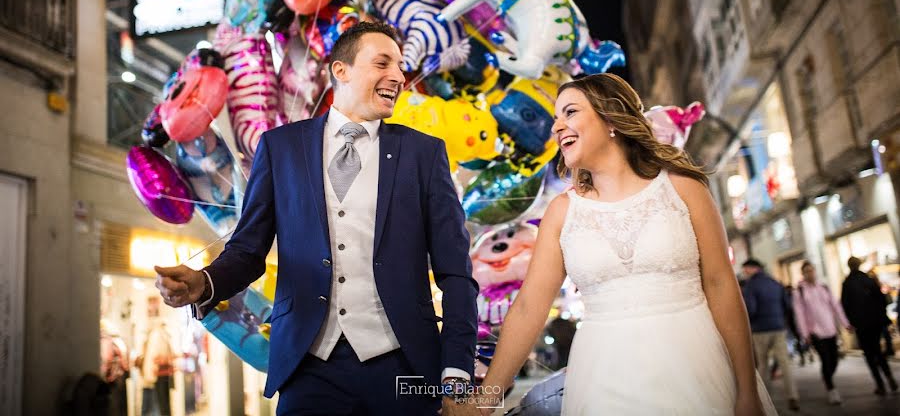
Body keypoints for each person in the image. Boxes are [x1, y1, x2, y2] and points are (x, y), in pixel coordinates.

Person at [153, 22, 478, 415]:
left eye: (400, 65)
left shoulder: (423, 154)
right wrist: (205, 283)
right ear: (340, 71)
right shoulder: (281, 148)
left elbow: (456, 271)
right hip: (308, 366)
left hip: (403, 363)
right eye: (383, 63)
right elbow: (248, 249)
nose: (398, 75)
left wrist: (457, 371)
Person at [461, 73, 776, 415]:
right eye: (555, 118)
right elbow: (527, 310)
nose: (556, 127)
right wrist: (485, 399)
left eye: (569, 112)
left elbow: (721, 285)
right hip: (602, 379)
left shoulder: (684, 189)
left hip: (699, 366)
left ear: (611, 118)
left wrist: (746, 389)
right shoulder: (562, 212)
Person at [742, 259, 800, 410]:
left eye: (745, 269)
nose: (744, 273)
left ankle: (764, 399)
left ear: (751, 269)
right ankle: (792, 396)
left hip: (760, 330)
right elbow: (787, 305)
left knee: (763, 365)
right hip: (778, 327)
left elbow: (751, 309)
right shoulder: (775, 283)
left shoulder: (750, 286)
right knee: (784, 363)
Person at [793, 261, 851, 405]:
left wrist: (845, 323)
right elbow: (799, 314)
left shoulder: (824, 287)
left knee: (834, 360)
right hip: (815, 333)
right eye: (807, 271)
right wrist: (805, 334)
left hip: (830, 329)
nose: (810, 273)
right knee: (825, 359)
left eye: (812, 270)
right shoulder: (799, 292)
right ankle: (832, 390)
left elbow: (836, 306)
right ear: (803, 274)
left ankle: (827, 378)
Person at [841, 256, 898, 395]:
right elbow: (882, 300)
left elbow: (845, 306)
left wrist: (850, 323)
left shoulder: (847, 284)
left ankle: (880, 384)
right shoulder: (869, 279)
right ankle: (889, 376)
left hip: (861, 326)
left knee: (869, 354)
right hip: (875, 323)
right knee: (878, 351)